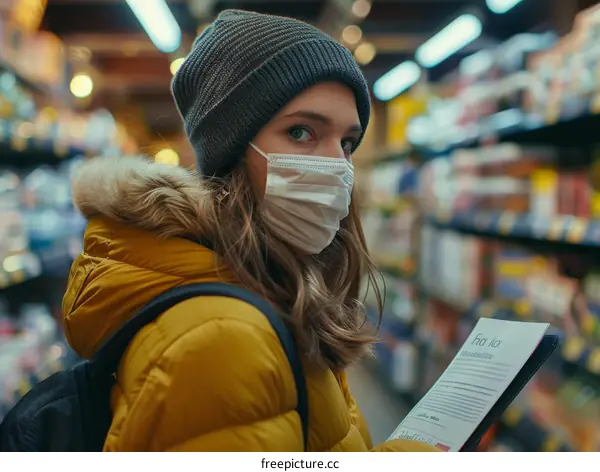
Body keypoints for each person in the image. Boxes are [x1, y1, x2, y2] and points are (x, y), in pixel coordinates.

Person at [63, 10, 440, 452]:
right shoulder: (221, 336)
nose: (338, 167)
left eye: (347, 143)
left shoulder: (267, 284)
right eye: (301, 132)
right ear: (231, 150)